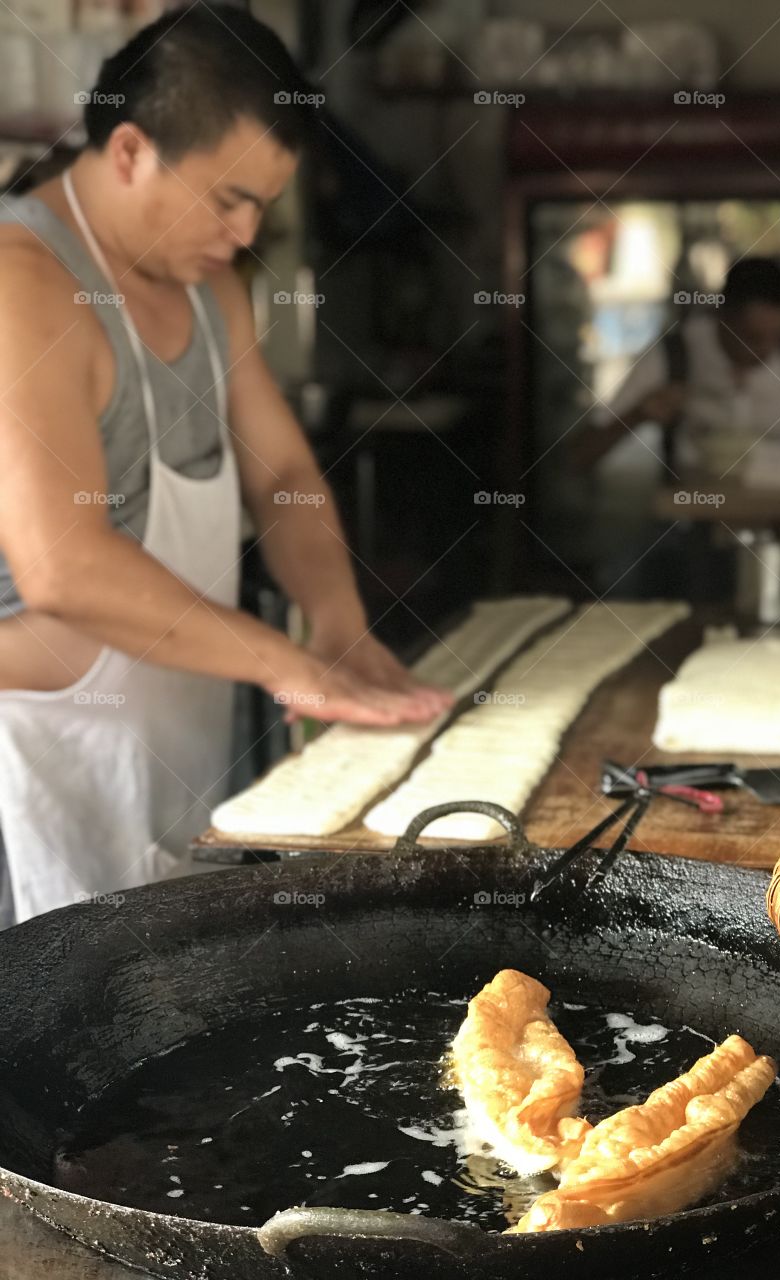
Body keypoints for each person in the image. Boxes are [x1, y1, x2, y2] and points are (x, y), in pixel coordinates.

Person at [0, 6, 452, 924]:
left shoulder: (207, 293)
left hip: (173, 747)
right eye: (227, 199)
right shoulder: (25, 282)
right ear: (129, 151)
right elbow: (62, 565)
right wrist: (285, 665)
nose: (246, 234)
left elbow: (281, 472)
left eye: (262, 205)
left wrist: (335, 623)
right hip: (35, 768)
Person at [578, 258, 780, 489]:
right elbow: (580, 453)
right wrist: (639, 414)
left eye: (776, 338)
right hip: (695, 518)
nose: (765, 351)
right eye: (752, 339)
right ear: (721, 316)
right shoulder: (678, 352)